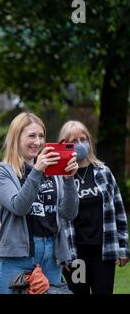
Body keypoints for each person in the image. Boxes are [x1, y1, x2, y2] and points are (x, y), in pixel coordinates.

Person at [0, 112, 79, 294]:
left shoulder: (52, 172)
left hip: (51, 253)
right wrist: (37, 171)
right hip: (18, 255)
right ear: (16, 137)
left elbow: (69, 214)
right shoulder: (1, 171)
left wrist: (69, 180)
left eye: (41, 136)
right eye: (31, 136)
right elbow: (19, 207)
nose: (37, 142)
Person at [59, 120, 129, 294]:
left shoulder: (103, 171)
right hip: (76, 253)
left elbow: (119, 212)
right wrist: (61, 254)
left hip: (103, 252)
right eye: (74, 141)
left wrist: (123, 247)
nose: (80, 144)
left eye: (84, 139)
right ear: (65, 144)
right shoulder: (59, 177)